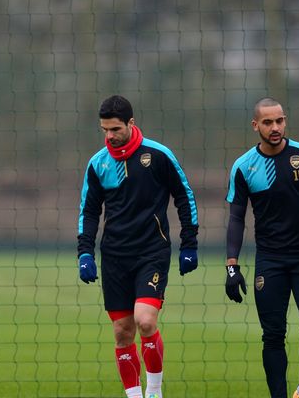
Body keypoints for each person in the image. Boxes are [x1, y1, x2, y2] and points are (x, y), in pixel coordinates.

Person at [77, 95, 199, 398]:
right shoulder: (98, 163)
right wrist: (84, 252)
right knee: (122, 333)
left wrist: (189, 244)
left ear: (131, 124)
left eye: (115, 129)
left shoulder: (158, 155)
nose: (109, 136)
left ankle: (154, 391)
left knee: (145, 321)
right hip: (115, 256)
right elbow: (89, 211)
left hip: (151, 252)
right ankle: (134, 396)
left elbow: (184, 197)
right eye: (104, 130)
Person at [224, 97, 299, 398]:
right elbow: (235, 217)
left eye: (280, 120)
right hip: (269, 261)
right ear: (255, 125)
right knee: (273, 335)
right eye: (268, 122)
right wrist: (232, 266)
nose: (275, 127)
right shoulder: (244, 166)